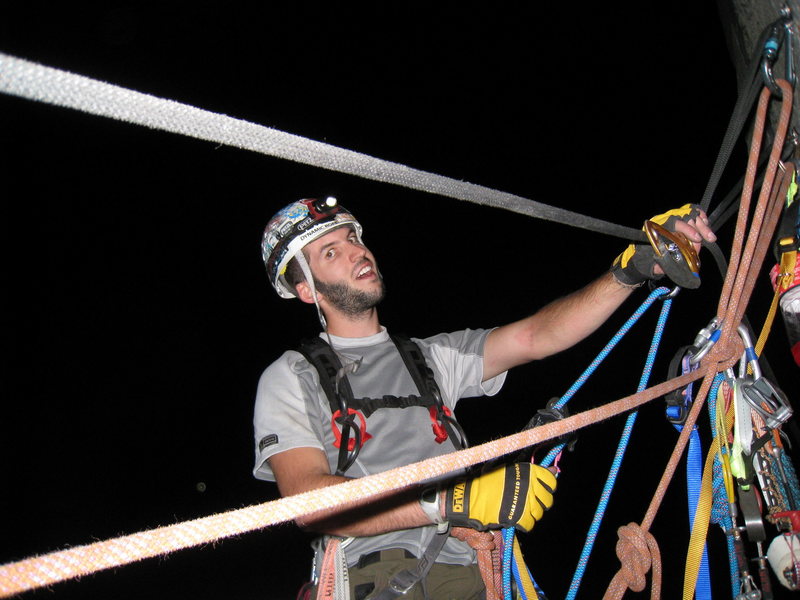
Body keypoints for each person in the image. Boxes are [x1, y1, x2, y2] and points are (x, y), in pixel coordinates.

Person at [252, 197, 716, 599]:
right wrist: (449, 500)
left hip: (472, 569)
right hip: (375, 574)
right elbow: (306, 504)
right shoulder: (292, 375)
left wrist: (630, 269)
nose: (357, 251)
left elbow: (536, 336)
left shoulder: (429, 358)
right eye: (331, 251)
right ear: (305, 290)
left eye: (353, 237)